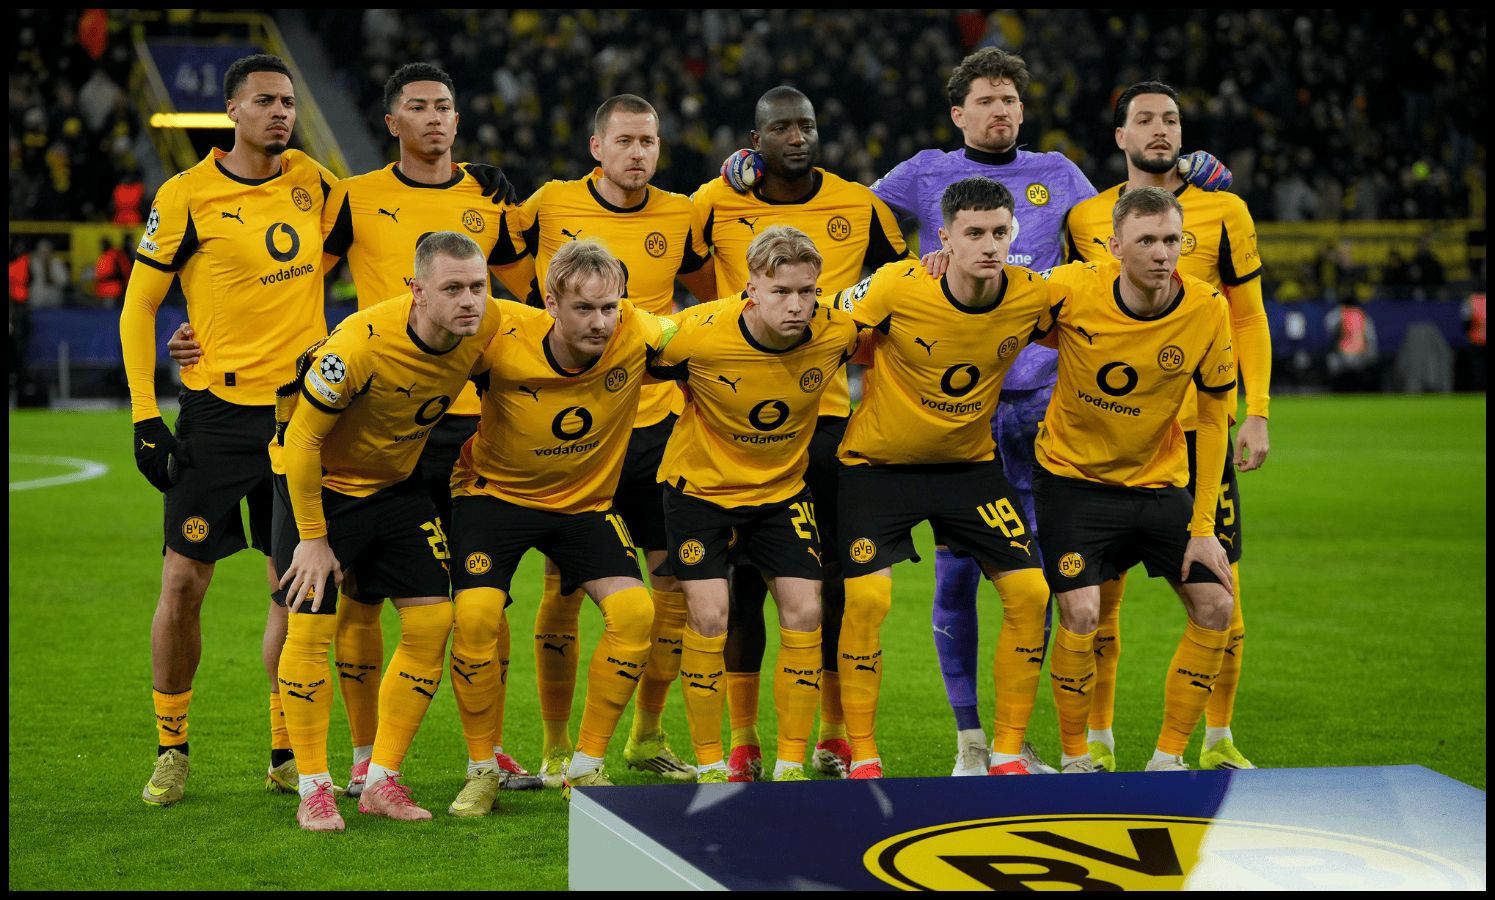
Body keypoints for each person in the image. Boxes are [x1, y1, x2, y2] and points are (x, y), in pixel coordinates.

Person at [858, 48, 1233, 776]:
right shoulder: (923, 172)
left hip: (1041, 406)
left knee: (1038, 585)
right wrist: (909, 266)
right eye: (985, 100)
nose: (999, 111)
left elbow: (1120, 224)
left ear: (1023, 110)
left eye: (1010, 100)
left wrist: (1180, 173)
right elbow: (851, 215)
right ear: (958, 112)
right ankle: (971, 741)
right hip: (961, 407)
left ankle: (1025, 741)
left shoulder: (1059, 174)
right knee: (957, 578)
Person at [168, 61, 533, 794]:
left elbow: (527, 304)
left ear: (458, 118)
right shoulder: (351, 198)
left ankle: (486, 751)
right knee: (361, 605)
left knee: (478, 600)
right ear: (392, 122)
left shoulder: (490, 198)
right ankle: (366, 756)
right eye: (419, 107)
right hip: (377, 424)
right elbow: (291, 278)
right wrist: (205, 330)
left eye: (445, 106)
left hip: (470, 428)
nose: (435, 118)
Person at [120, 54, 336, 807]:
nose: (282, 113)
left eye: (289, 101)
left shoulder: (313, 181)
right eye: (265, 101)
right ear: (232, 111)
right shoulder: (186, 194)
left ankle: (284, 751)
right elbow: (139, 306)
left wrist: (462, 179)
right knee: (183, 582)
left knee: (292, 586)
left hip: (300, 415)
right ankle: (171, 748)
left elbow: (383, 214)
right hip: (216, 415)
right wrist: (145, 414)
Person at [695, 86, 908, 780]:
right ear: (754, 138)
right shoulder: (715, 201)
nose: (797, 137)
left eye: (807, 126)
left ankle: (834, 735)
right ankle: (743, 739)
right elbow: (684, 275)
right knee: (743, 586)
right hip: (737, 429)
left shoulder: (858, 203)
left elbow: (901, 282)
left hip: (831, 427)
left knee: (833, 585)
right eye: (782, 127)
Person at [1064, 81, 1270, 772]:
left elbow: (1247, 316)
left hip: (1198, 431)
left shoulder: (1224, 209)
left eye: (1172, 119)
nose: (1161, 129)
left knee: (1221, 589)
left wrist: (1258, 410)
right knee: (1102, 602)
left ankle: (1217, 738)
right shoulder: (1084, 216)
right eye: (1145, 119)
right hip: (1112, 435)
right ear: (1119, 136)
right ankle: (1098, 743)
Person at [509, 94, 715, 787]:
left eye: (648, 141)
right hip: (578, 430)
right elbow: (508, 278)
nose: (637, 153)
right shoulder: (548, 205)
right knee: (563, 586)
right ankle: (556, 747)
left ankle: (646, 734)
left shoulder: (681, 214)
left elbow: (711, 290)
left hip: (656, 426)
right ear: (595, 147)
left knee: (672, 584)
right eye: (624, 140)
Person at [272, 231, 501, 831]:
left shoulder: (487, 325)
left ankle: (380, 779)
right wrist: (313, 538)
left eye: (478, 286)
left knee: (432, 621)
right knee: (310, 627)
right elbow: (302, 442)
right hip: (318, 487)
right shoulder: (358, 346)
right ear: (417, 292)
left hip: (395, 485)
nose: (469, 300)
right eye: (452, 288)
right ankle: (313, 787)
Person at [832, 178, 1059, 779]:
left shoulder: (1032, 295)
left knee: (1031, 594)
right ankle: (864, 758)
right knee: (868, 600)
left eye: (1000, 232)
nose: (989, 245)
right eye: (974, 233)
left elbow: (1096, 313)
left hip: (968, 468)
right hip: (878, 468)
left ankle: (1006, 756)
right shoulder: (897, 284)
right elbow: (824, 325)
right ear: (944, 239)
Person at [445, 240, 670, 813]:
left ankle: (587, 767)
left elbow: (709, 335)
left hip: (583, 505)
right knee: (475, 615)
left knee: (635, 612)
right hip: (494, 496)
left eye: (609, 307)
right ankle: (482, 768)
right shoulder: (499, 334)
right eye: (584, 309)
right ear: (551, 303)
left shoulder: (638, 333)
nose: (600, 323)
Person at [648, 225, 861, 782]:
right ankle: (711, 765)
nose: (797, 306)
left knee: (807, 611)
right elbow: (626, 351)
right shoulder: (695, 333)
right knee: (710, 616)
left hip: (781, 493)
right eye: (781, 292)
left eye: (807, 291)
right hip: (700, 493)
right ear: (751, 289)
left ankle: (791, 766)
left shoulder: (837, 331)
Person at [1038, 187, 1237, 774]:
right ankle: (1077, 757)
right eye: (1146, 240)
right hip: (1073, 481)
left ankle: (1168, 758)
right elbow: (994, 301)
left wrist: (1203, 527)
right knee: (1081, 614)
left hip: (1157, 483)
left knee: (1217, 605)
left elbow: (1215, 420)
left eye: (1172, 240)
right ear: (1114, 245)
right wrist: (942, 262)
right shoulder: (1071, 288)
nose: (1161, 253)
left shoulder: (1206, 307)